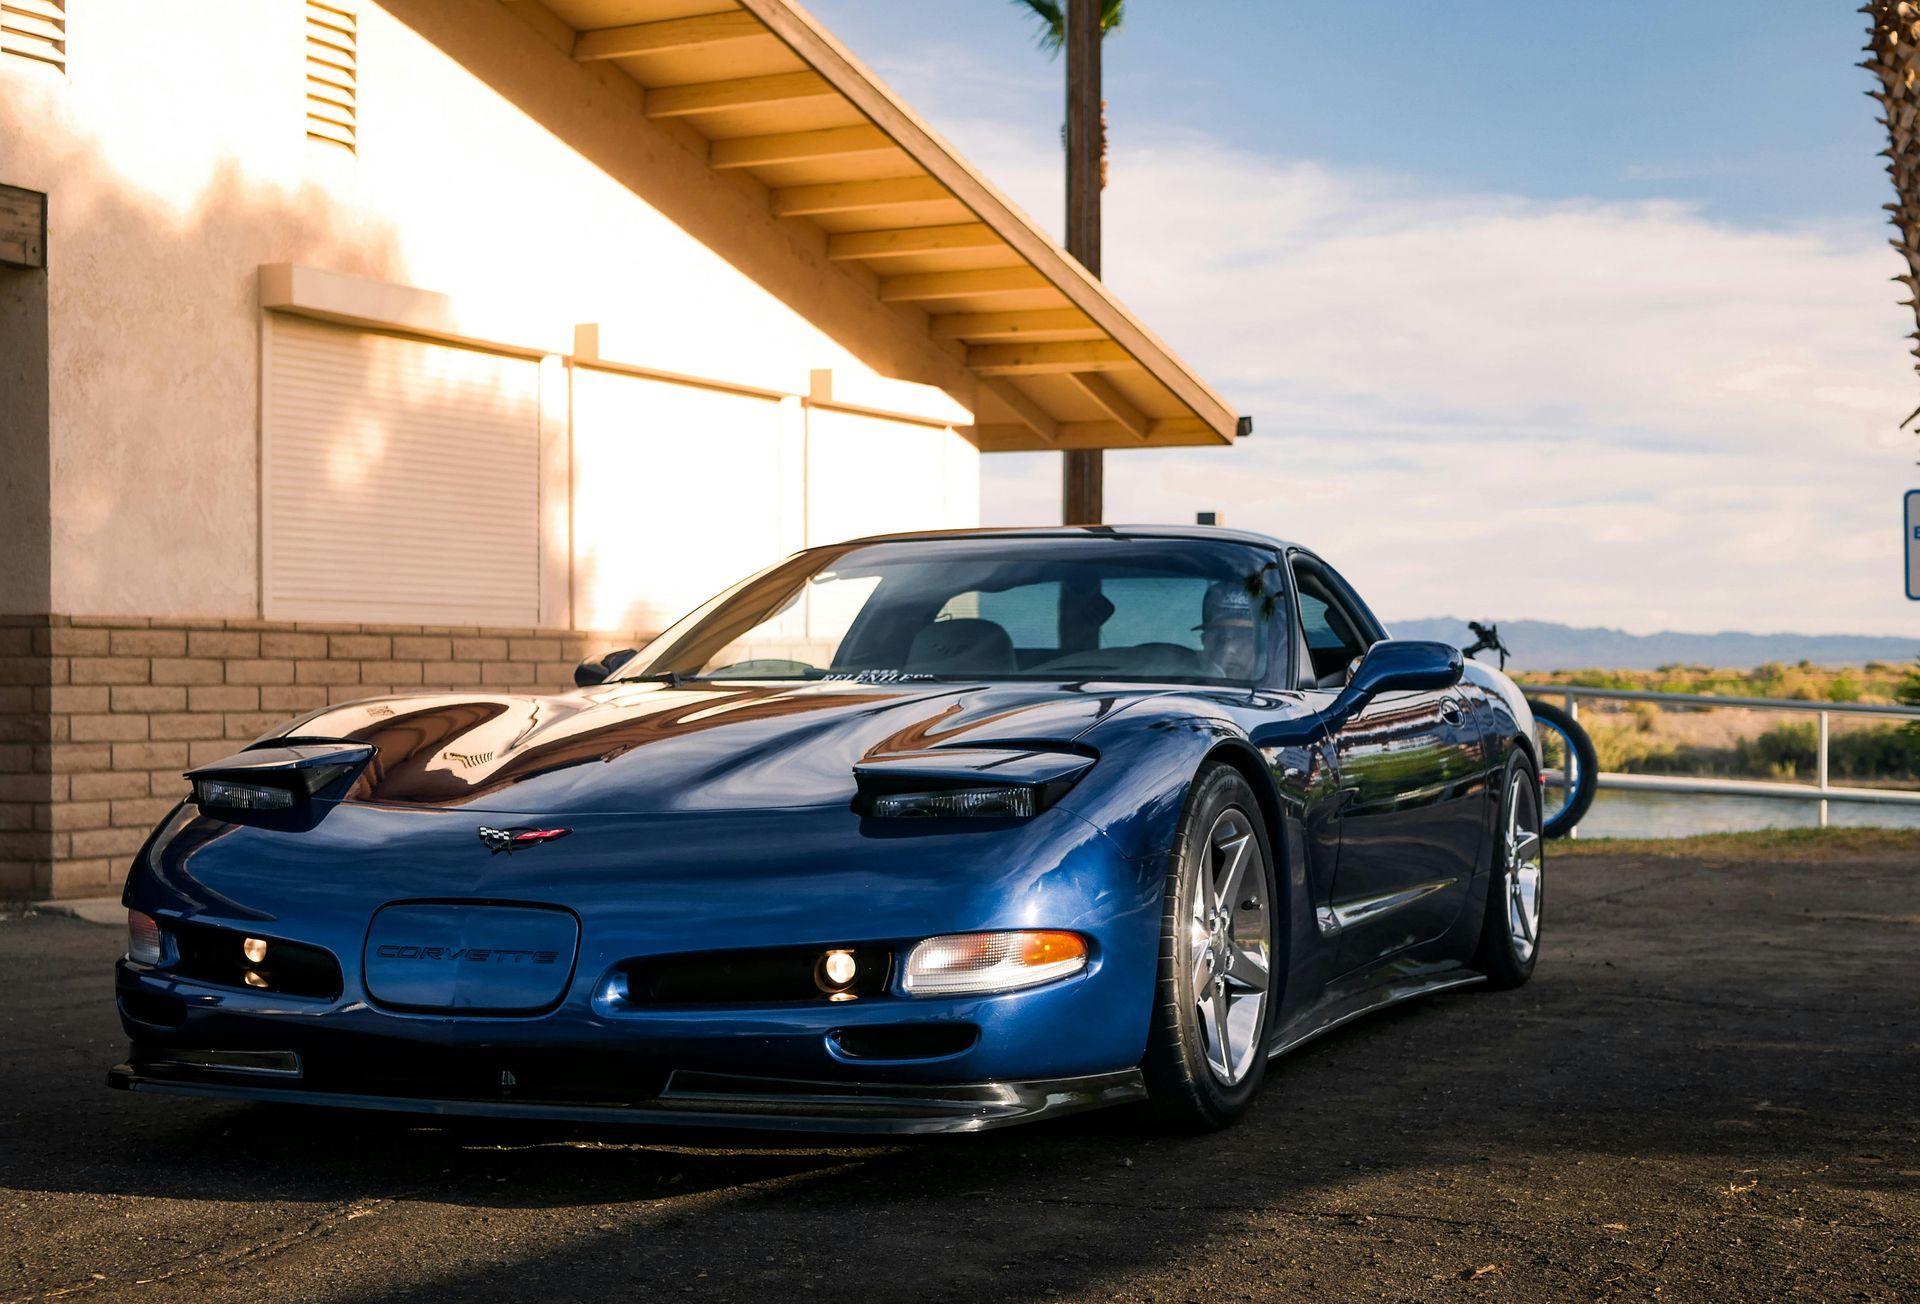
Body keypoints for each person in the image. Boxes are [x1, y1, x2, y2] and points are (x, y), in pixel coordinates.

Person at [1197, 580, 1261, 679]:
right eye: (1220, 637)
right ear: (1204, 641)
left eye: (1243, 637)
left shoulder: (1279, 685)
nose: (1228, 649)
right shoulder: (1181, 686)